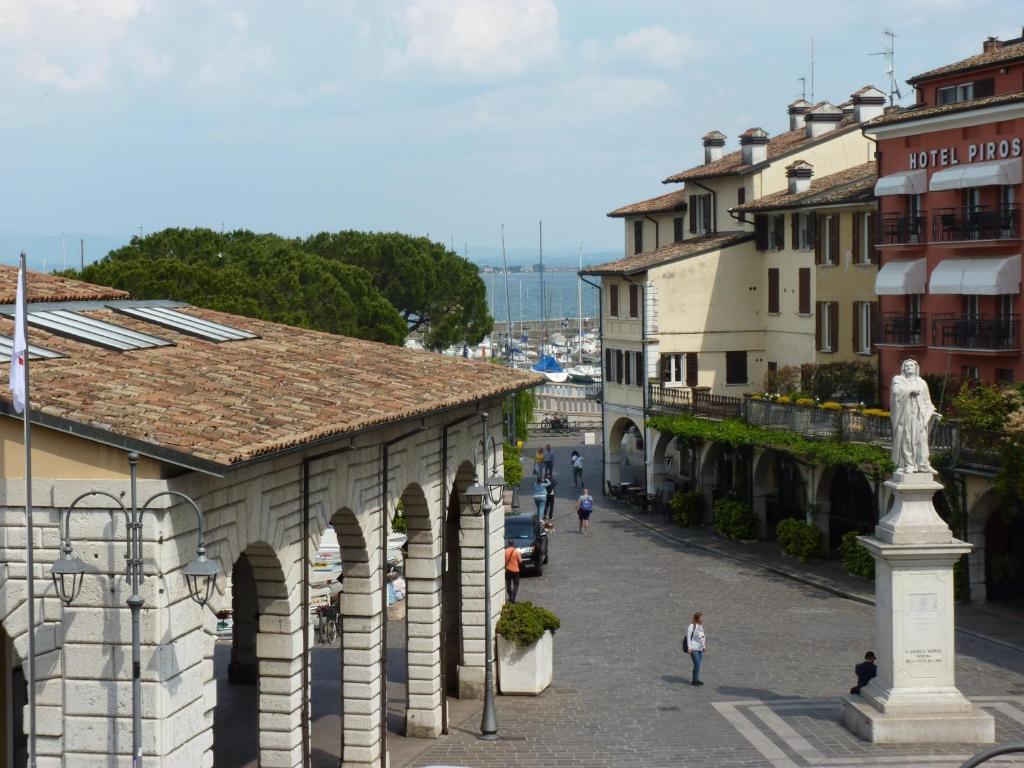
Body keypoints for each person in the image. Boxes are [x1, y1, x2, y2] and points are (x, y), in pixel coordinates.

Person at [890, 359, 941, 474]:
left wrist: (932, 412)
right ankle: (909, 464)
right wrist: (910, 390)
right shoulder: (898, 380)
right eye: (906, 365)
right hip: (906, 412)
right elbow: (896, 393)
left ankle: (923, 464)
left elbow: (927, 401)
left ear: (916, 367)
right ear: (903, 368)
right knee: (907, 437)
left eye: (911, 365)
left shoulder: (922, 383)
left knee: (921, 439)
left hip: (920, 414)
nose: (909, 367)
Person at [685, 612, 706, 686]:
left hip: (700, 649)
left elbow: (702, 637)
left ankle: (696, 679)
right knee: (697, 665)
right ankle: (694, 681)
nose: (702, 619)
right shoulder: (691, 626)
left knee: (698, 665)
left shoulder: (700, 626)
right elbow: (688, 637)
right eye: (701, 618)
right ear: (697, 618)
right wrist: (689, 647)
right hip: (693, 649)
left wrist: (703, 646)